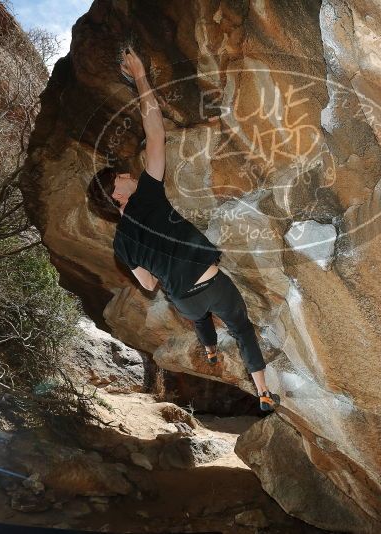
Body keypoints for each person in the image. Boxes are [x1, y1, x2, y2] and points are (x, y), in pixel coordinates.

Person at [88, 47, 281, 412]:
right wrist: (141, 77)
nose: (128, 174)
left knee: (198, 317)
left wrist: (162, 265)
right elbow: (155, 132)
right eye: (120, 178)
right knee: (240, 329)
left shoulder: (121, 244)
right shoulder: (147, 193)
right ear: (116, 195)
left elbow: (147, 285)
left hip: (185, 298)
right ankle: (263, 392)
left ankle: (209, 349)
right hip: (213, 282)